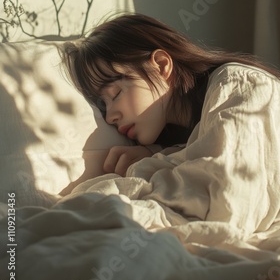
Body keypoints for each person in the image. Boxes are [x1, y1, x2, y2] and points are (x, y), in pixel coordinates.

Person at [59, 13, 280, 178]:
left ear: (161, 65)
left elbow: (229, 186)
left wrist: (154, 163)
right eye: (104, 106)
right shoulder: (177, 139)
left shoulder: (237, 85)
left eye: (115, 93)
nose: (110, 118)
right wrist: (153, 154)